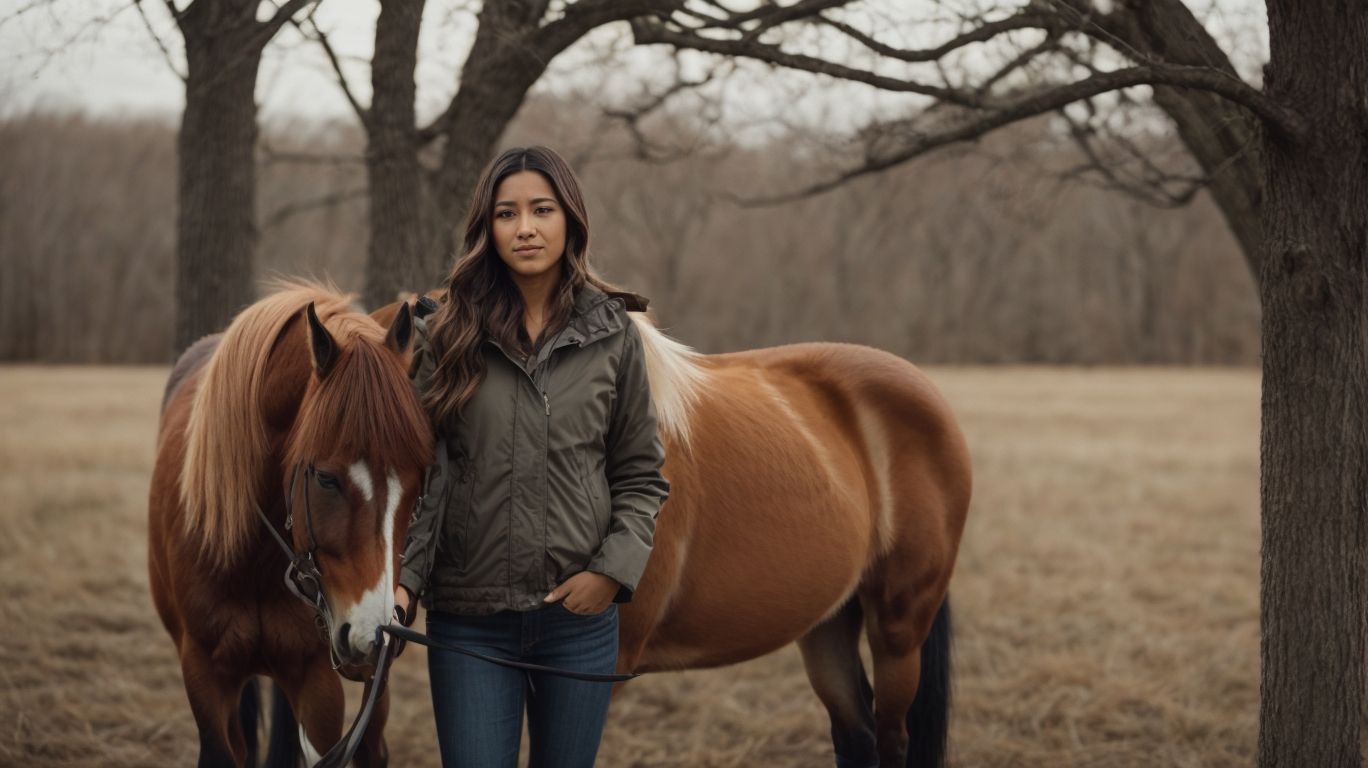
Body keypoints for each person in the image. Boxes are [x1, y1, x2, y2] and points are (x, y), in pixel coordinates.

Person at [393, 145, 670, 768]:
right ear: (486, 229)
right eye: (506, 213)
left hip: (579, 621)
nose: (525, 228)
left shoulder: (612, 334)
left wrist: (611, 573)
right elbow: (421, 474)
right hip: (469, 622)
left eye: (542, 209)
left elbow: (640, 475)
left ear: (570, 218)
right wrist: (405, 584)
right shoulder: (444, 334)